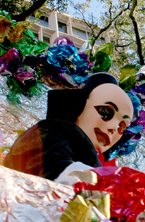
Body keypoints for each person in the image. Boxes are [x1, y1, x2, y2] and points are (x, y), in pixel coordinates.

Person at [3, 72, 134, 184]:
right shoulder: (47, 132)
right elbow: (53, 168)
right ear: (81, 105)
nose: (112, 128)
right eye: (105, 112)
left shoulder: (91, 159)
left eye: (121, 126)